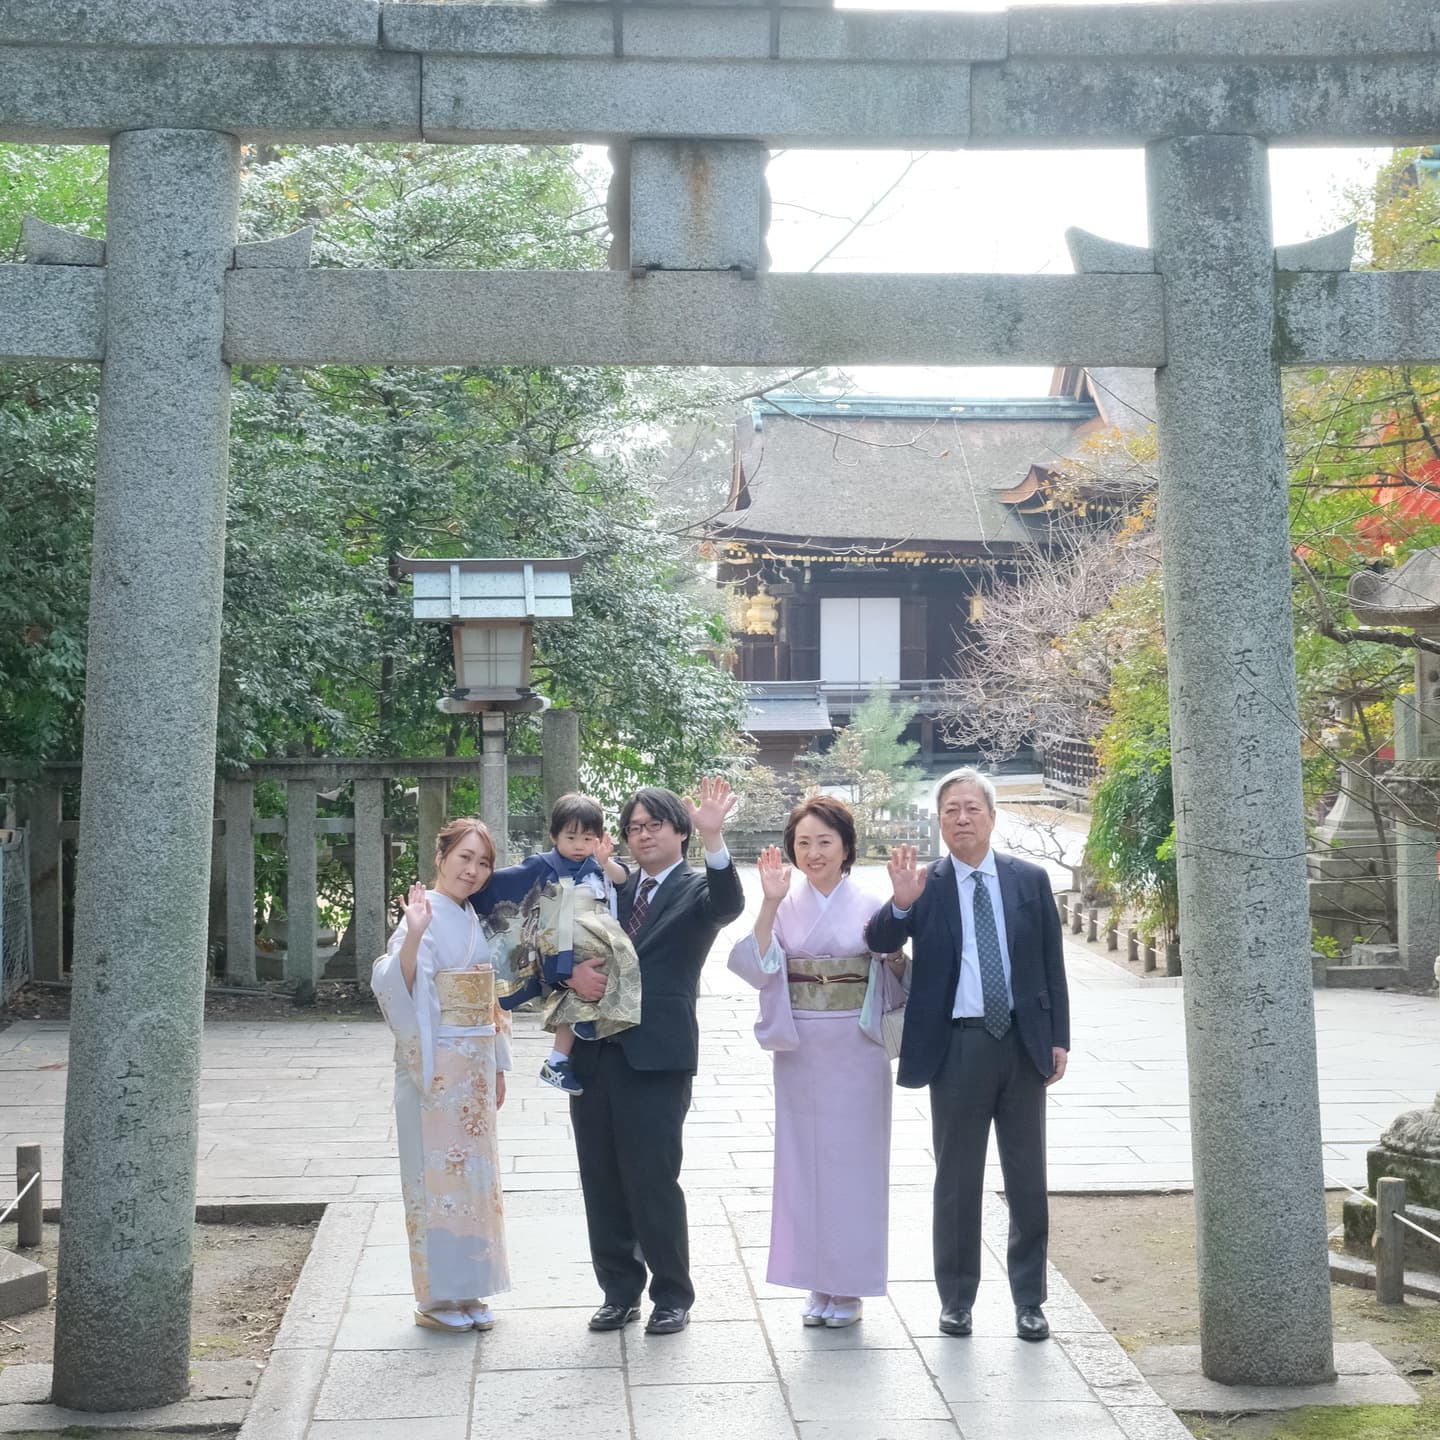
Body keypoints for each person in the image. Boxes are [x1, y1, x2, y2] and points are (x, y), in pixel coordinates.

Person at [866, 767, 1069, 1343]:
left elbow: (1051, 963)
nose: (961, 819)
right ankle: (956, 1301)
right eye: (950, 810)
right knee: (956, 1180)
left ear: (992, 817)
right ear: (939, 820)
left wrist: (1059, 1037)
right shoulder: (925, 884)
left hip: (1023, 1044)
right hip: (957, 1046)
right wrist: (901, 905)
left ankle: (1030, 1301)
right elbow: (879, 941)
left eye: (971, 809)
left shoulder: (1029, 880)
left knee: (1027, 1177)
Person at [567, 777, 744, 1336]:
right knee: (601, 1177)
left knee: (653, 1178)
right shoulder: (608, 886)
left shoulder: (696, 888)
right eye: (633, 827)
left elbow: (729, 904)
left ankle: (672, 1294)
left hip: (657, 1055)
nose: (642, 835)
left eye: (654, 825)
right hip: (594, 1050)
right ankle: (618, 1292)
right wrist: (570, 974)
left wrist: (715, 839)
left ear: (680, 831)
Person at [728, 796, 907, 1329]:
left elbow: (898, 971)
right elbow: (756, 968)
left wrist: (895, 946)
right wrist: (768, 902)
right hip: (801, 1045)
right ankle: (815, 1279)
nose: (813, 852)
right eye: (803, 843)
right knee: (802, 1164)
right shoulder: (784, 904)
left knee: (856, 1166)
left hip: (858, 1043)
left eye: (825, 841)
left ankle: (848, 1285)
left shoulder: (872, 902)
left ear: (846, 847)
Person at [372, 818, 511, 1332]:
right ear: (442, 857)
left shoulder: (474, 918)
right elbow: (394, 982)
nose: (472, 870)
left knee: (473, 1183)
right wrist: (412, 935)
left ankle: (469, 1288)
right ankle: (435, 1299)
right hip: (432, 1069)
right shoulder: (423, 912)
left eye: (483, 862)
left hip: (474, 1069)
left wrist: (498, 1065)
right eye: (464, 857)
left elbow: (492, 999)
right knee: (435, 1183)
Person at [473, 793, 636, 1097]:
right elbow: (506, 880)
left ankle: (559, 1059)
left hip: (592, 940)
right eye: (571, 837)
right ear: (553, 836)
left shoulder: (597, 865)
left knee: (612, 965)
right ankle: (564, 1051)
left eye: (587, 838)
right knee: (576, 982)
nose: (579, 845)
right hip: (558, 947)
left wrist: (605, 861)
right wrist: (472, 883)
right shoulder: (542, 864)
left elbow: (623, 879)